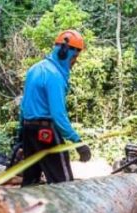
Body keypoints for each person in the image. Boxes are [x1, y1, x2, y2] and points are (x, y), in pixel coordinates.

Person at [19, 30, 91, 186]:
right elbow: (58, 115)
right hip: (46, 132)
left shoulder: (34, 69)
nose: (75, 62)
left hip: (28, 130)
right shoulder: (55, 76)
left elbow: (23, 107)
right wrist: (77, 142)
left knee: (30, 182)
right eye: (75, 57)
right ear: (66, 53)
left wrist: (20, 136)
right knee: (63, 183)